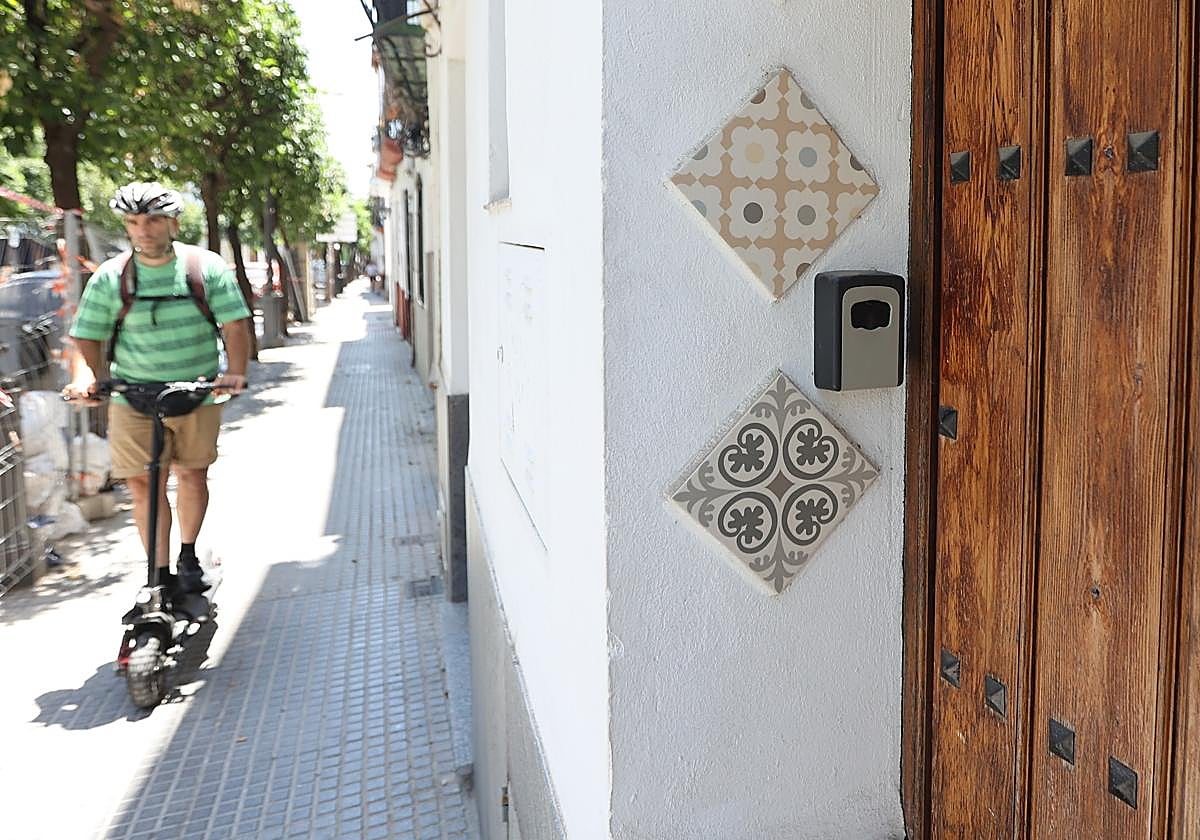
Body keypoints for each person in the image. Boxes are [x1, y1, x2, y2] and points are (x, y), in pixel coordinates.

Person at [63, 182, 251, 597]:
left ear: (173, 224)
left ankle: (188, 555)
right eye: (133, 223)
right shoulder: (111, 277)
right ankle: (159, 572)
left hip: (196, 392)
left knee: (192, 474)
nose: (143, 231)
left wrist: (235, 373)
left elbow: (235, 323)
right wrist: (86, 377)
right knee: (143, 484)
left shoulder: (204, 268)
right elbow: (86, 335)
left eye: (152, 221)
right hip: (133, 396)